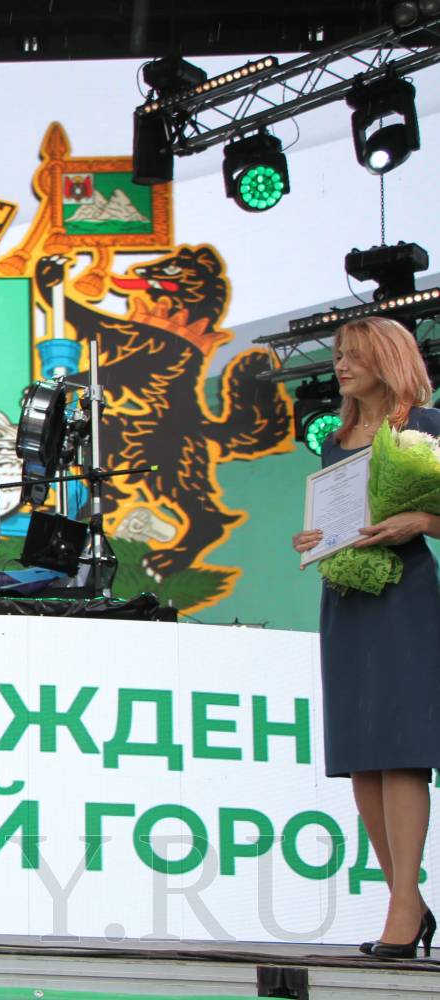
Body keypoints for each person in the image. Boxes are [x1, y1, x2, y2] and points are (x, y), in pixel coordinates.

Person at [291, 316, 440, 959]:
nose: (341, 367)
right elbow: (340, 518)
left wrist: (422, 519)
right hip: (345, 598)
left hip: (404, 596)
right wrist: (312, 539)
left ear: (387, 357)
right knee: (361, 754)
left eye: (352, 355)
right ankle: (405, 898)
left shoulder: (426, 428)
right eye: (337, 356)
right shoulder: (336, 439)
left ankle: (403, 906)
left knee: (401, 749)